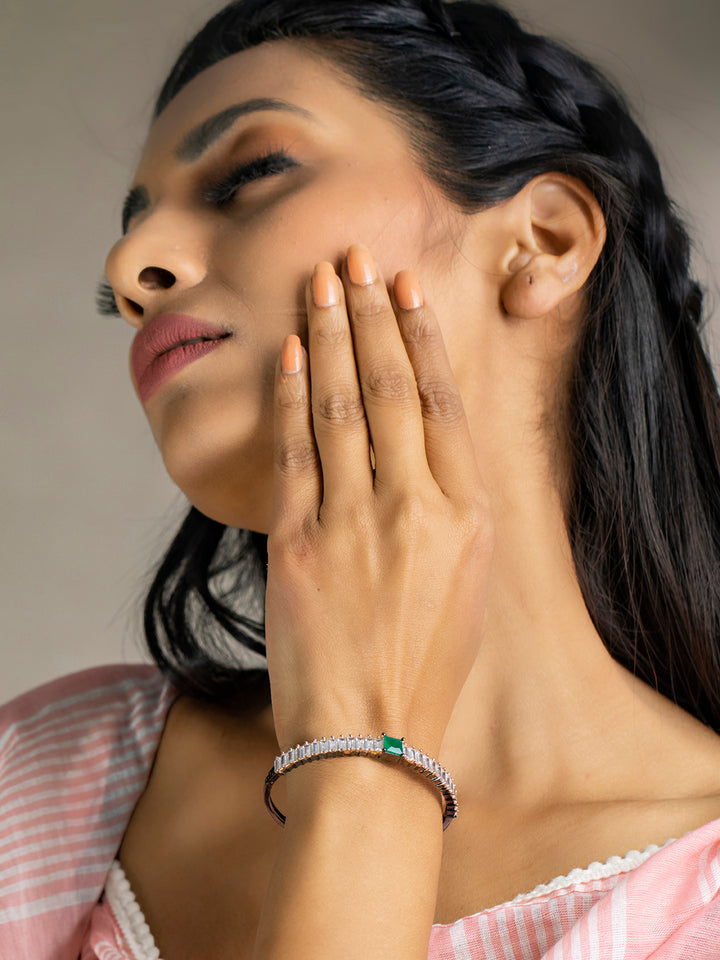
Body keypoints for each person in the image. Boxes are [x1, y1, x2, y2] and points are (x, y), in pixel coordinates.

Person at [2, 0, 719, 957]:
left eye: (252, 173)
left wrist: (362, 766)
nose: (129, 270)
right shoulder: (48, 772)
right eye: (121, 272)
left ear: (544, 240)